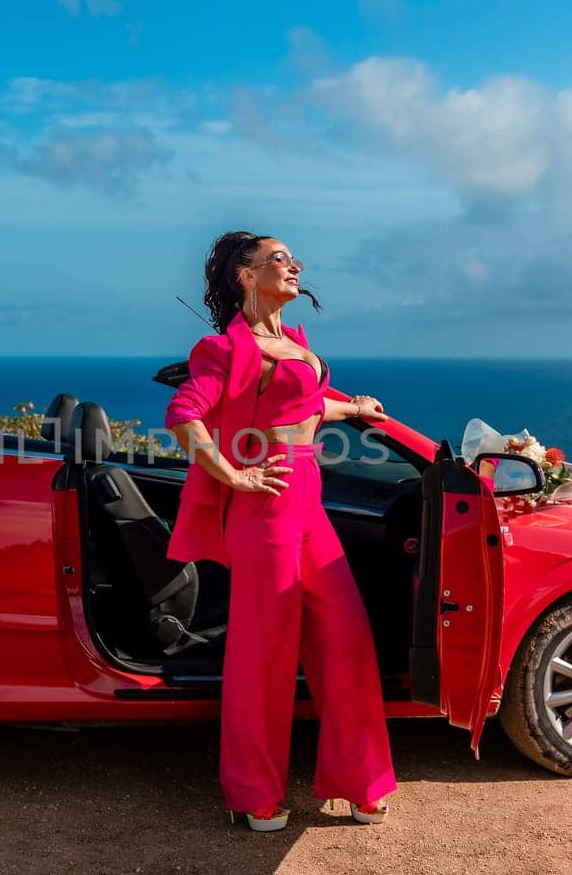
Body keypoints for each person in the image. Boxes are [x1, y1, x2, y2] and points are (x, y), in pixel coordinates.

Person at [164, 230, 398, 832]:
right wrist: (233, 474)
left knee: (345, 638)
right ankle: (253, 794)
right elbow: (184, 415)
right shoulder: (224, 350)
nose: (294, 266)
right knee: (263, 654)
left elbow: (308, 405)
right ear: (245, 275)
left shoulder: (294, 342)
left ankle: (360, 780)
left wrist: (356, 410)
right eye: (278, 259)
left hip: (309, 501)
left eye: (293, 258)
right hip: (264, 506)